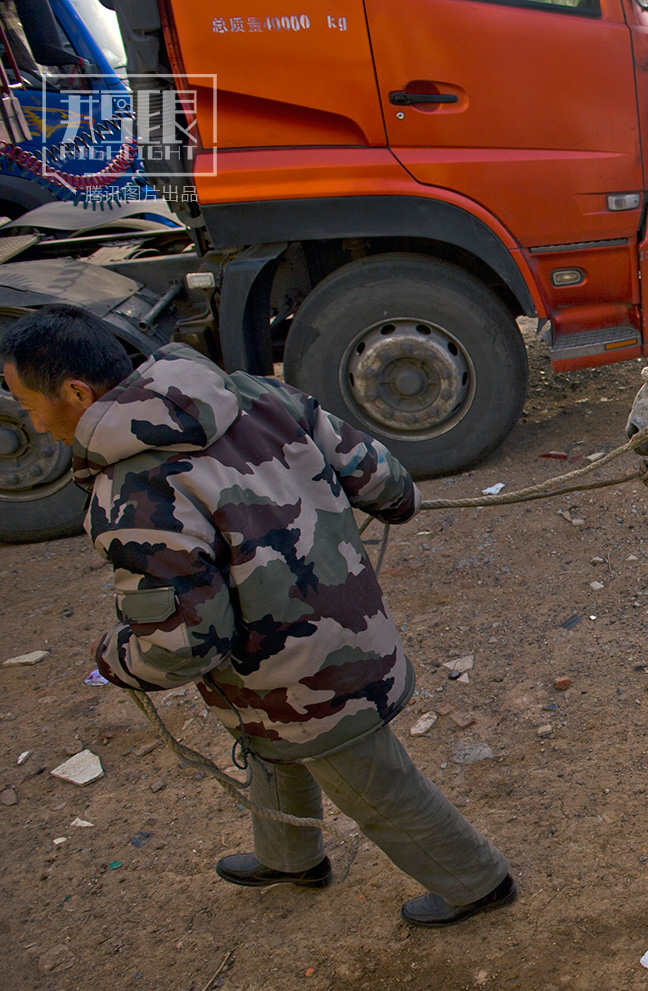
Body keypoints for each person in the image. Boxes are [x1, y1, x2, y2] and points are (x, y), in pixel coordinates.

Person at [0, 305, 516, 927]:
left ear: (77, 393)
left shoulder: (133, 493)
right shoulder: (252, 392)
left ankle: (476, 882)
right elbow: (385, 481)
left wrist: (115, 659)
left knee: (373, 784)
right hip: (343, 626)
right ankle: (290, 857)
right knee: (269, 743)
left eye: (28, 403)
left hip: (300, 670)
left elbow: (186, 643)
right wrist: (393, 503)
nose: (29, 419)